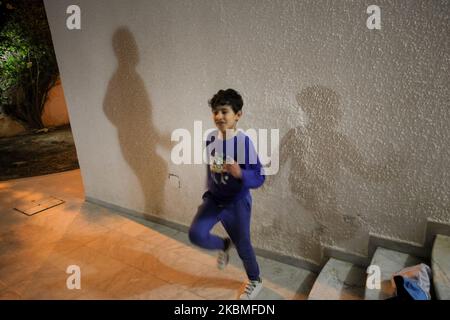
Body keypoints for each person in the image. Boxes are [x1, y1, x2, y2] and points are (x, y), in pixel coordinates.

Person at [188, 88, 265, 300]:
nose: (218, 116)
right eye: (215, 112)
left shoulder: (244, 143)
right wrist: (208, 193)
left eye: (224, 111)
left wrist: (240, 172)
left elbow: (259, 177)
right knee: (196, 234)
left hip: (236, 204)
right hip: (214, 200)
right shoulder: (210, 138)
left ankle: (255, 279)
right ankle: (223, 244)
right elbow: (211, 169)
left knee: (243, 245)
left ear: (237, 115)